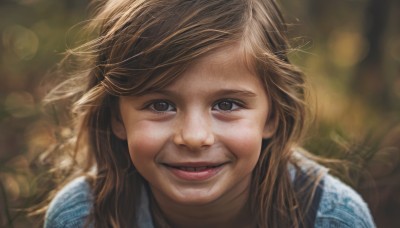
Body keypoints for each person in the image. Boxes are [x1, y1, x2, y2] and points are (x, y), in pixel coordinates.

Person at [42, 0, 375, 227]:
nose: (194, 137)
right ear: (117, 118)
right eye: (160, 105)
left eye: (226, 104)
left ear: (272, 115)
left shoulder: (332, 218)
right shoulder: (81, 217)